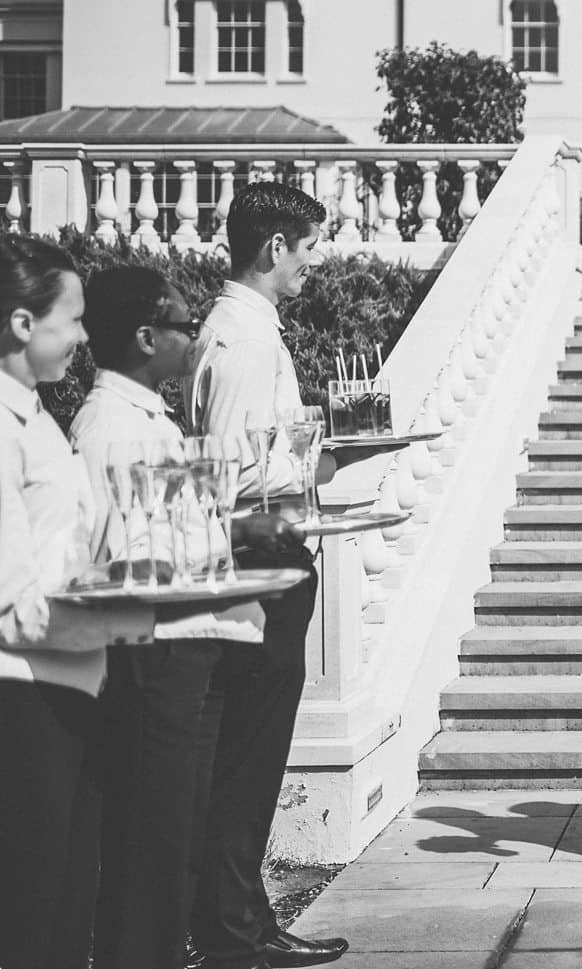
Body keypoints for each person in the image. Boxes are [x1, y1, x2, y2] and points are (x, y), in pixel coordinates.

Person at [72, 265, 301, 969]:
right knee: (149, 857)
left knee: (172, 853)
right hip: (155, 652)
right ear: (146, 336)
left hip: (190, 644)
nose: (190, 336)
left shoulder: (151, 416)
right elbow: (113, 553)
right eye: (178, 325)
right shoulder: (108, 425)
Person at [186, 182, 351, 969]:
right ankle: (232, 929)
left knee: (247, 755)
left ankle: (240, 918)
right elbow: (225, 477)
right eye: (310, 246)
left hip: (260, 553)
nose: (316, 261)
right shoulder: (245, 341)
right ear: (273, 247)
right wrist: (310, 461)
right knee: (248, 757)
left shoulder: (241, 330)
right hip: (257, 557)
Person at [0, 236, 161, 969]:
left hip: (74, 689)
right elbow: (12, 604)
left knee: (68, 918)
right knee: (31, 921)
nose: (87, 336)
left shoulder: (38, 418)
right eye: (72, 319)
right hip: (25, 702)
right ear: (24, 324)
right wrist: (135, 614)